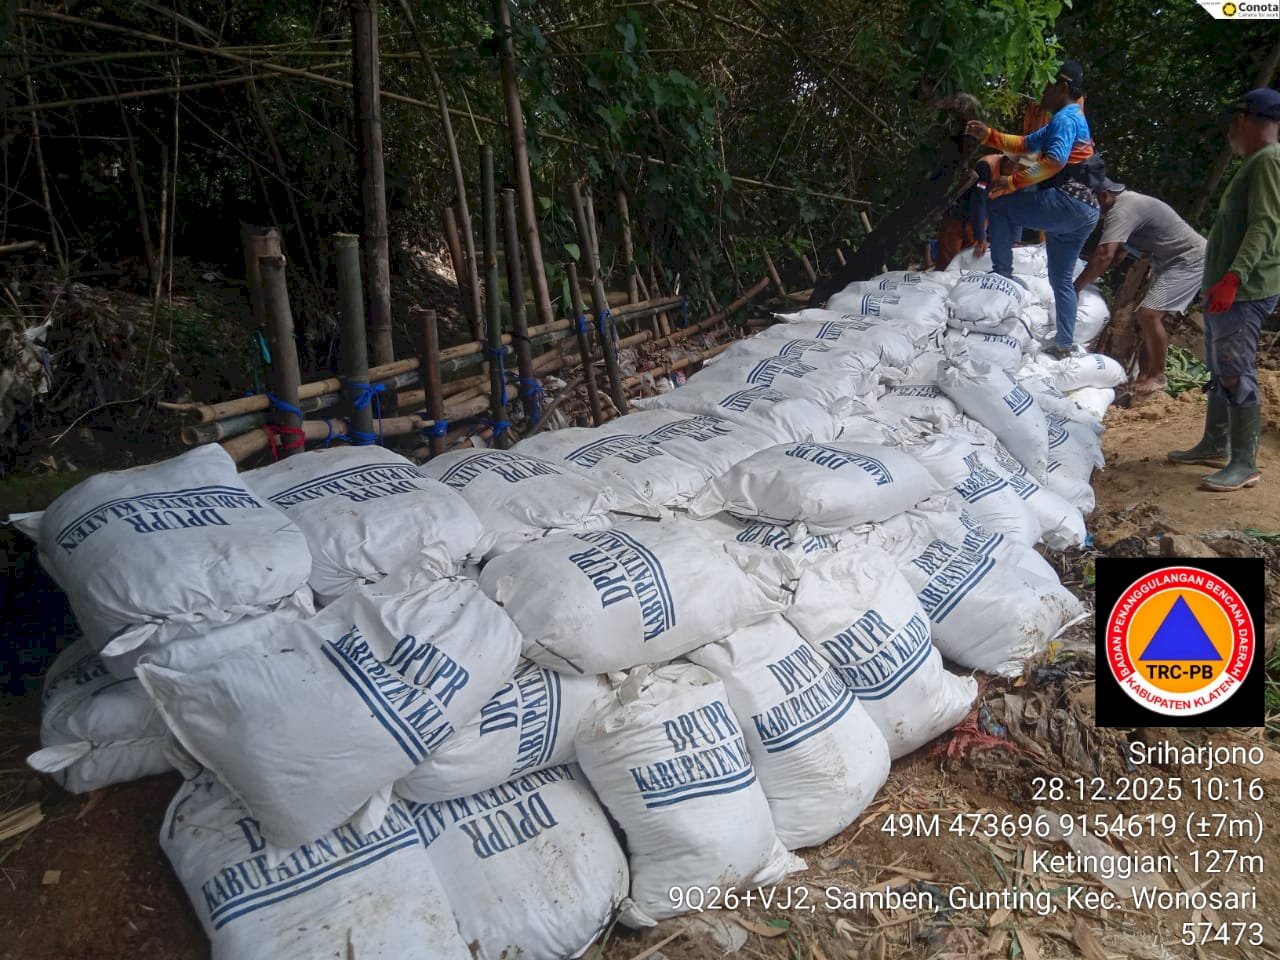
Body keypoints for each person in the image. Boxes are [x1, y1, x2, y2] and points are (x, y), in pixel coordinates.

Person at [1168, 87, 1280, 492]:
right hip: (1229, 286)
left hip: (1246, 288)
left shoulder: (1268, 162)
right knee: (1220, 369)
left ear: (1245, 120)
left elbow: (1264, 225)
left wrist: (1234, 277)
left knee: (1235, 372)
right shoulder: (1256, 161)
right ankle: (1215, 443)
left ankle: (1245, 463)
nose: (1231, 129)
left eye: (1235, 120)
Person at [965, 60, 1103, 358]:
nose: (1042, 92)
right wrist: (988, 135)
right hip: (1085, 212)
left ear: (1063, 88)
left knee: (998, 205)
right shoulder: (1067, 118)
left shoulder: (1066, 118)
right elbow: (1026, 144)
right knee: (1060, 279)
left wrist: (1012, 182)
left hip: (1067, 202)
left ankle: (1001, 275)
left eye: (1047, 86)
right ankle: (1064, 343)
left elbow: (1054, 161)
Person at [1073, 180, 1207, 396]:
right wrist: (1094, 274)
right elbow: (1117, 254)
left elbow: (1104, 255)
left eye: (1092, 201)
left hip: (1188, 259)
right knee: (1145, 319)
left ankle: (1157, 375)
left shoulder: (1123, 208)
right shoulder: (1126, 207)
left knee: (1148, 315)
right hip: (1167, 261)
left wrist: (1076, 287)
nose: (1092, 207)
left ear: (1103, 195)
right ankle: (1144, 376)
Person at [935, 154, 1009, 268]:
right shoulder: (986, 166)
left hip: (982, 218)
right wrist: (981, 236)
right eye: (1017, 166)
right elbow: (978, 201)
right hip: (959, 215)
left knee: (970, 261)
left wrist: (1014, 239)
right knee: (947, 261)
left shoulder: (1021, 176)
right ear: (1008, 161)